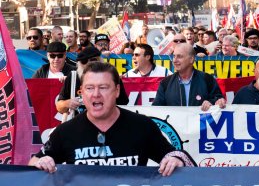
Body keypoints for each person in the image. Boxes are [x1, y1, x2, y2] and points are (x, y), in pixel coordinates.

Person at [29, 61, 195, 174]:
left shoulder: (142, 126)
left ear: (116, 91)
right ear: (82, 92)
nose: (96, 94)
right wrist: (40, 163)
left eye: (103, 87)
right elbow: (33, 164)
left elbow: (177, 157)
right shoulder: (65, 131)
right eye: (89, 88)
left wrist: (176, 161)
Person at [152, 43, 226, 111]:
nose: (174, 60)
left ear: (191, 59)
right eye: (174, 56)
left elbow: (218, 99)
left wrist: (211, 102)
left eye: (179, 56)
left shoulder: (207, 79)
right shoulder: (166, 83)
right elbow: (156, 109)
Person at [56, 47, 129, 116]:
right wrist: (67, 103)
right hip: (80, 124)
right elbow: (59, 106)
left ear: (100, 60)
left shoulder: (112, 76)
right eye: (84, 61)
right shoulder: (73, 77)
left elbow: (123, 104)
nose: (88, 64)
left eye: (92, 60)